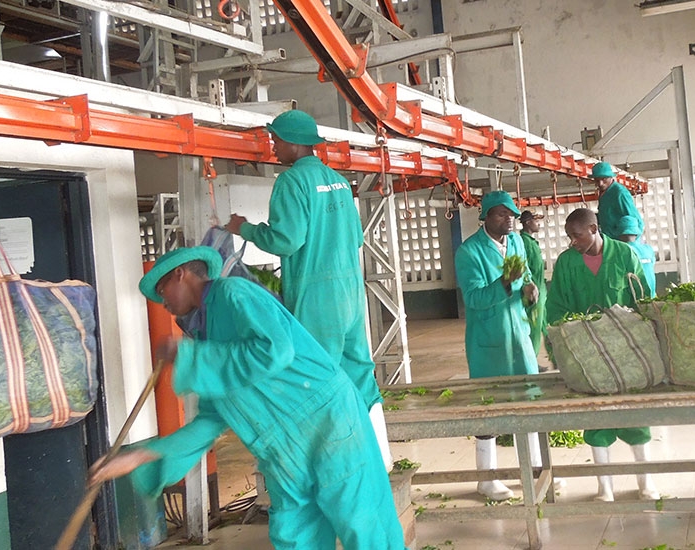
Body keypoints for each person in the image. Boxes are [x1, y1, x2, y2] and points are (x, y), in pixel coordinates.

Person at [89, 246, 407, 550]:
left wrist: (191, 356)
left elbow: (275, 349)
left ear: (180, 275)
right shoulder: (205, 336)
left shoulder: (234, 293)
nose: (163, 304)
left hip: (327, 423)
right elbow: (209, 422)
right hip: (281, 454)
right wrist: (140, 456)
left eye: (162, 291)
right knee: (295, 537)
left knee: (365, 527)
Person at [225, 109, 392, 470]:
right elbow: (356, 237)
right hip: (349, 292)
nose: (273, 148)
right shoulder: (337, 181)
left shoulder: (291, 183)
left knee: (314, 377)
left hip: (316, 297)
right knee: (359, 371)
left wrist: (246, 228)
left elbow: (286, 240)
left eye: (276, 140)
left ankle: (332, 467)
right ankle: (380, 457)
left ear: (294, 144)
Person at [545, 208, 659, 502]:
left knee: (634, 413)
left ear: (594, 228)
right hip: (587, 352)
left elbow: (642, 297)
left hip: (625, 348)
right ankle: (604, 488)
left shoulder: (624, 255)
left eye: (577, 235)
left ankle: (646, 483)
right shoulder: (567, 263)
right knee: (595, 416)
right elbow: (556, 305)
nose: (573, 242)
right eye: (569, 237)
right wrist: (559, 348)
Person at [454, 191, 541, 501]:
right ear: (486, 217)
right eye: (502, 214)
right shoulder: (469, 253)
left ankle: (535, 467)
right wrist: (505, 282)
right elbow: (475, 299)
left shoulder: (516, 242)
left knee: (529, 399)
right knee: (488, 406)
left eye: (512, 215)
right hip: (488, 340)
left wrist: (528, 287)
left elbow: (526, 273)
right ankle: (486, 478)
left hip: (519, 334)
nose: (509, 220)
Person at [519, 210, 548, 359]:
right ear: (528, 222)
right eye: (536, 221)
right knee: (534, 329)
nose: (538, 224)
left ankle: (556, 359)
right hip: (534, 293)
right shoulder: (523, 243)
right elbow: (524, 268)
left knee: (547, 327)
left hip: (542, 291)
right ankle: (531, 362)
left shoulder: (531, 242)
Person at [592, 161, 645, 240]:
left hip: (622, 242)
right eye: (597, 180)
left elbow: (635, 220)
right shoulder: (604, 192)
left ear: (611, 177)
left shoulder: (620, 193)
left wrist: (632, 244)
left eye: (604, 179)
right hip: (611, 240)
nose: (600, 183)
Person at [616, 215, 657, 297]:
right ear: (637, 233)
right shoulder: (648, 249)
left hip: (635, 297)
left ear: (619, 233)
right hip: (652, 294)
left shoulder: (621, 251)